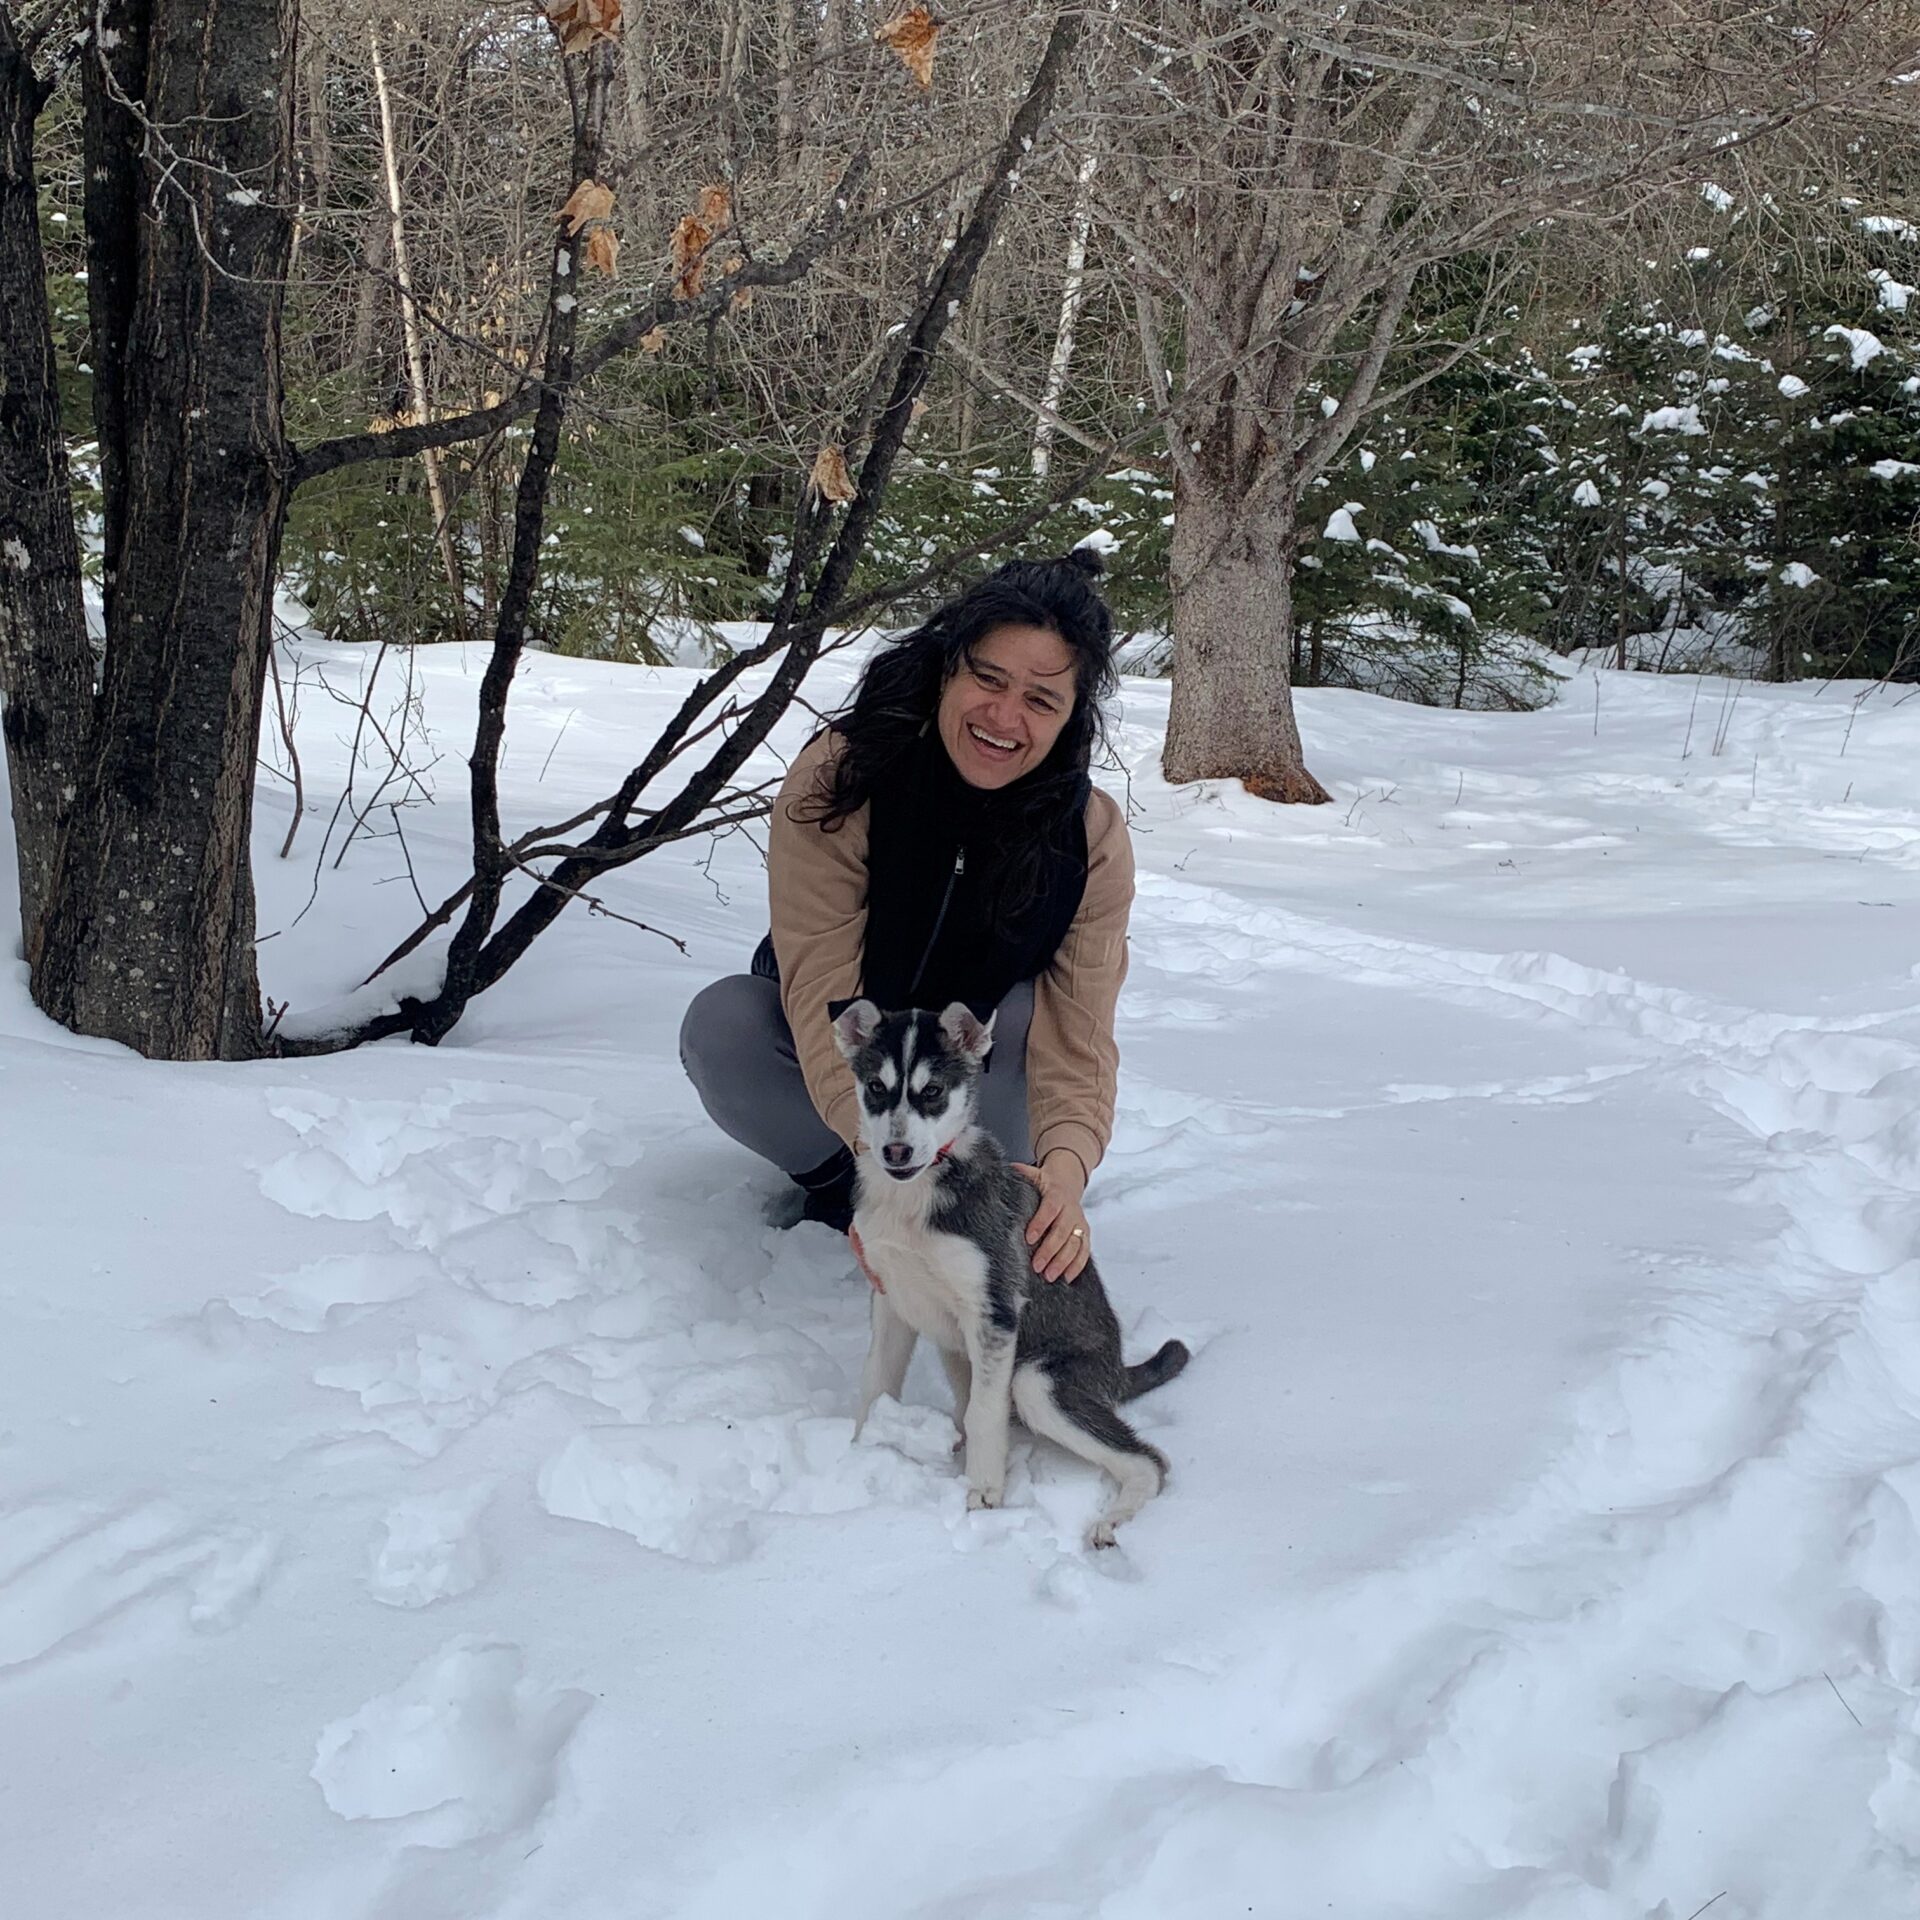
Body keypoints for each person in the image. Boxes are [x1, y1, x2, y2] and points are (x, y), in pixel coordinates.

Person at [678, 548, 1133, 1284]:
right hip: (847, 1076)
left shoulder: (1091, 837)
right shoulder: (845, 774)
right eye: (989, 677)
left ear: (1070, 718)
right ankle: (833, 1191)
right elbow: (819, 981)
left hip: (974, 1089)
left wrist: (1067, 1175)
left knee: (1025, 1013)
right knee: (723, 1022)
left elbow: (1080, 1040)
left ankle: (988, 1199)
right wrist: (875, 1165)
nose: (1005, 716)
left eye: (1041, 700)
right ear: (947, 666)